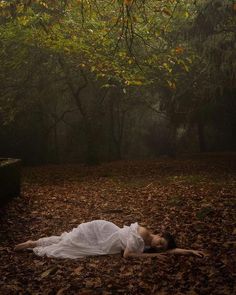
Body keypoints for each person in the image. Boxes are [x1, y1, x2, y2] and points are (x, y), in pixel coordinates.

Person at [14, 220, 205, 259]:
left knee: (69, 241)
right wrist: (153, 257)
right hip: (102, 231)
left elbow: (170, 251)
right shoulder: (144, 234)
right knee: (69, 242)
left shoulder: (150, 244)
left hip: (106, 240)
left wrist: (189, 251)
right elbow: (128, 255)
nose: (158, 247)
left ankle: (34, 243)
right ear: (160, 236)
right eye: (160, 243)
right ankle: (34, 243)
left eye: (160, 248)